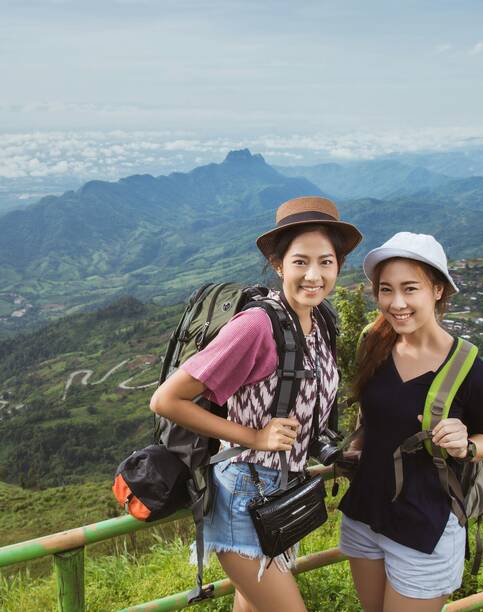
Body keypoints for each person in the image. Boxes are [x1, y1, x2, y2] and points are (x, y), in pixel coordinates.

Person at [150, 196, 362, 612]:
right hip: (244, 497)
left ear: (338, 265)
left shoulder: (321, 320)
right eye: (300, 262)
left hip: (280, 494)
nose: (314, 275)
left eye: (326, 262)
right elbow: (166, 400)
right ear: (279, 265)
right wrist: (253, 435)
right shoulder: (257, 326)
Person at [338, 232, 483, 612]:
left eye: (409, 288)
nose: (396, 303)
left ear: (437, 290)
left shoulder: (470, 371)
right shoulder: (374, 344)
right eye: (386, 290)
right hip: (365, 513)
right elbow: (375, 413)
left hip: (424, 526)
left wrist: (465, 444)